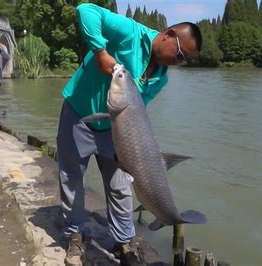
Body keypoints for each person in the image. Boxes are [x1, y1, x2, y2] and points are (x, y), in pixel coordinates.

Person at [57, 3, 202, 265]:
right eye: (180, 55)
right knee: (71, 179)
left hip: (113, 129)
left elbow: (136, 113)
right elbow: (85, 10)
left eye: (184, 61)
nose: (178, 62)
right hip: (78, 115)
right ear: (168, 35)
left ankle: (124, 241)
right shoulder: (130, 32)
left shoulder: (161, 78)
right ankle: (75, 235)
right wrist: (100, 52)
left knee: (121, 185)